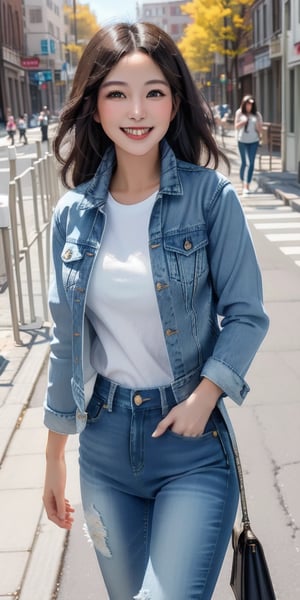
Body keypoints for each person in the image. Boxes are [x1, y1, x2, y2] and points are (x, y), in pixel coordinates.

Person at [43, 22, 269, 600]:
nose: (136, 110)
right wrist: (54, 456)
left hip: (190, 446)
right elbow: (66, 340)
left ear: (175, 101)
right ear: (94, 107)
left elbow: (246, 314)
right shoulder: (72, 216)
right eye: (117, 92)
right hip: (103, 449)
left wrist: (206, 396)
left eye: (154, 92)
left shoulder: (209, 198)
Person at [234, 95, 263, 196]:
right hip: (242, 141)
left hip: (254, 141)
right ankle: (243, 181)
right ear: (244, 103)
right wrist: (243, 121)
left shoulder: (257, 115)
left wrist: (257, 126)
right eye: (247, 104)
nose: (249, 106)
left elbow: (260, 130)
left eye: (251, 104)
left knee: (250, 163)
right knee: (244, 163)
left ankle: (247, 185)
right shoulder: (239, 112)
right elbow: (236, 126)